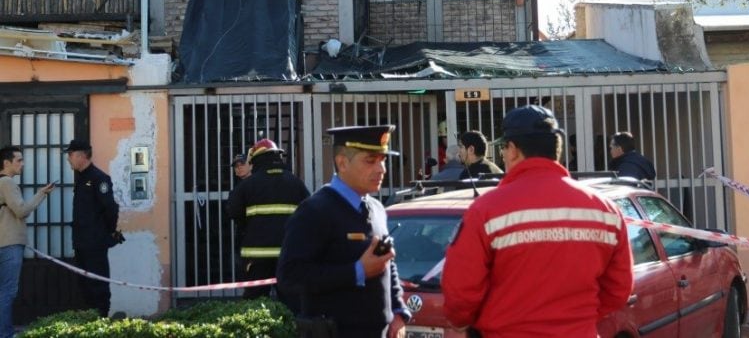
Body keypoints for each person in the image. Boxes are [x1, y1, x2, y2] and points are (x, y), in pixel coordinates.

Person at [442, 105, 633, 337]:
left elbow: (460, 293)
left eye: (503, 147)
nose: (503, 154)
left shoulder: (486, 210)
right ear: (558, 150)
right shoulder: (605, 211)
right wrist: (575, 318)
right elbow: (618, 289)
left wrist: (471, 322)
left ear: (512, 150)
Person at [277, 125, 410, 338]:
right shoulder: (315, 210)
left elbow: (387, 265)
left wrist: (398, 313)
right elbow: (290, 277)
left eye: (382, 160)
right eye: (371, 161)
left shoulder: (376, 208)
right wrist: (356, 271)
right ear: (342, 163)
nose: (381, 169)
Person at [226, 139, 309, 303]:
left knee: (254, 307)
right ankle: (292, 328)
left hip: (256, 259)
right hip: (287, 256)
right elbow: (308, 214)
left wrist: (249, 226)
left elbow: (232, 211)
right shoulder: (295, 183)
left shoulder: (247, 185)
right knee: (292, 304)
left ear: (256, 160)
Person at [0, 146, 55, 338]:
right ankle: (5, 334)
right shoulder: (6, 182)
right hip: (8, 243)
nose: (22, 164)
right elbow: (21, 210)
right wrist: (41, 194)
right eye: (19, 160)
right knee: (7, 292)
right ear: (6, 163)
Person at [65, 139, 120, 318]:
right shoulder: (81, 178)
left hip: (95, 242)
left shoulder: (99, 178)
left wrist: (108, 231)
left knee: (98, 284)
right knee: (85, 284)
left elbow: (111, 208)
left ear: (81, 155)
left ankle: (101, 320)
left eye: (70, 155)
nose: (68, 159)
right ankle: (90, 321)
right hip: (81, 242)